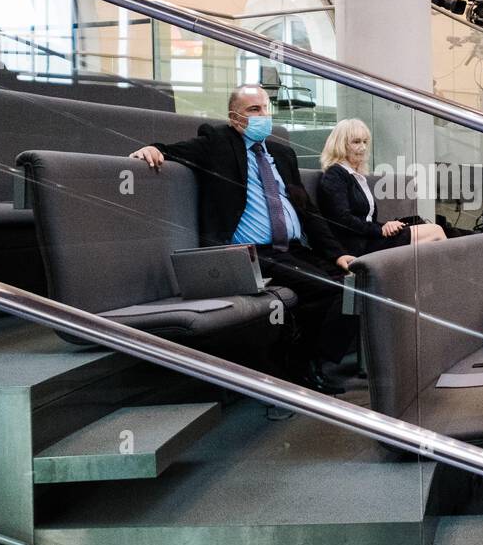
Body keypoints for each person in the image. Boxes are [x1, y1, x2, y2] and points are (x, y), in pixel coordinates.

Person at [129, 85, 357, 393]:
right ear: (236, 118)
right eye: (254, 110)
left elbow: (309, 213)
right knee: (324, 289)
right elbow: (172, 149)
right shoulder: (218, 142)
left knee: (354, 284)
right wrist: (153, 148)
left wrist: (337, 254)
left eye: (266, 108)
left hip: (291, 249)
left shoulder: (282, 153)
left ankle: (310, 358)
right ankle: (301, 368)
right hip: (248, 253)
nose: (264, 116)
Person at [317, 118, 447, 256]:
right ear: (340, 145)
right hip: (358, 245)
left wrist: (386, 225)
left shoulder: (355, 176)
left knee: (432, 235)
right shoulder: (335, 174)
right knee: (436, 231)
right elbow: (342, 219)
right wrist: (380, 229)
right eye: (356, 142)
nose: (363, 147)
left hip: (369, 239)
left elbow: (364, 220)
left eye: (365, 142)